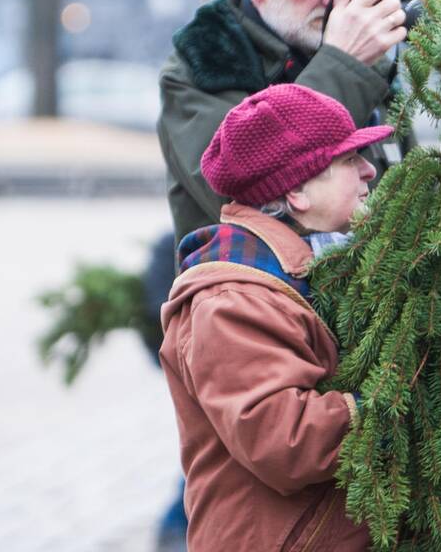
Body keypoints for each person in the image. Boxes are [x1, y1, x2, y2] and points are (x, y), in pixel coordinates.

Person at [159, 84, 393, 551]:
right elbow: (284, 442)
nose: (370, 170)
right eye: (348, 161)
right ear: (297, 191)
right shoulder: (233, 300)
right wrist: (394, 400)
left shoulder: (297, 265)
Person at [158, 0, 412, 247]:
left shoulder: (361, 61)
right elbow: (241, 198)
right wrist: (342, 64)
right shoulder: (202, 67)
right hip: (251, 300)